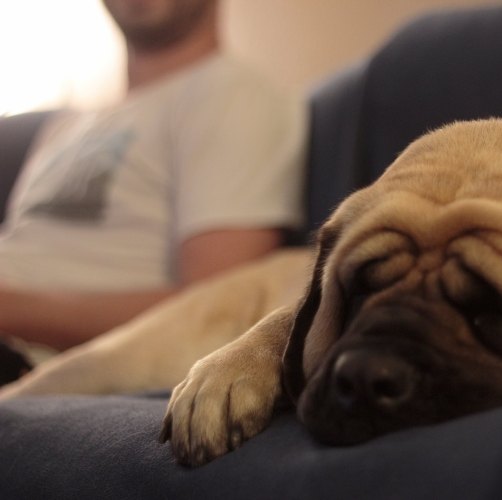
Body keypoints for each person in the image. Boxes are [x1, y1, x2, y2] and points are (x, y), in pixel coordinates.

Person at [0, 0, 306, 359]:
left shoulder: (233, 95)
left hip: (31, 357)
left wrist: (12, 310)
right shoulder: (62, 125)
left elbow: (218, 312)